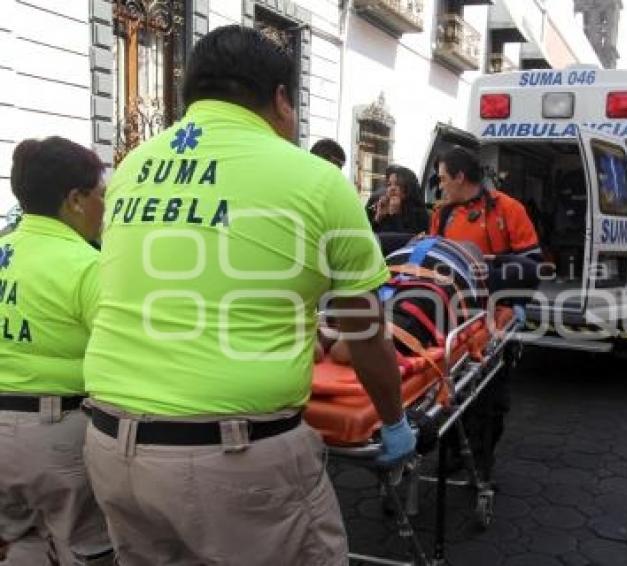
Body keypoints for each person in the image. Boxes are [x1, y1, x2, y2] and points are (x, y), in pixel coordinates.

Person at [82, 25, 414, 565]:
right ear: (281, 99)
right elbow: (365, 328)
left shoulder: (131, 168)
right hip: (232, 461)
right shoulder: (318, 181)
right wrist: (394, 420)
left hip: (113, 451)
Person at [0, 137, 113, 565]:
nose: (105, 207)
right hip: (55, 434)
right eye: (101, 195)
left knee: (21, 545)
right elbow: (117, 353)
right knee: (87, 548)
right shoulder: (87, 265)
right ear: (75, 199)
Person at [429, 146, 541, 479]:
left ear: (461, 177)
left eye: (444, 177)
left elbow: (532, 266)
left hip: (495, 317)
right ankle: (452, 453)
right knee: (449, 389)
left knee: (491, 394)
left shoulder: (508, 209)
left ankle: (481, 459)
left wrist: (502, 290)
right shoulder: (443, 213)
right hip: (455, 317)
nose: (441, 184)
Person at [368, 165, 429, 235]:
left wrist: (395, 215)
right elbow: (370, 238)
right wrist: (378, 218)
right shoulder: (381, 208)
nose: (392, 188)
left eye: (398, 184)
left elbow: (406, 240)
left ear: (408, 188)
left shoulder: (419, 214)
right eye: (389, 184)